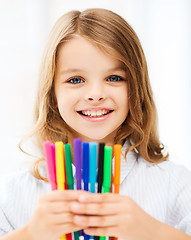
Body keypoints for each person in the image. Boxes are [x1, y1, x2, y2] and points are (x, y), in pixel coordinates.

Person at [0, 8, 191, 240]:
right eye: (76, 80)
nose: (95, 94)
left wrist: (151, 231)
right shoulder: (13, 194)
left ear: (136, 89)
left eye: (114, 78)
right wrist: (31, 234)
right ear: (52, 94)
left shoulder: (175, 184)